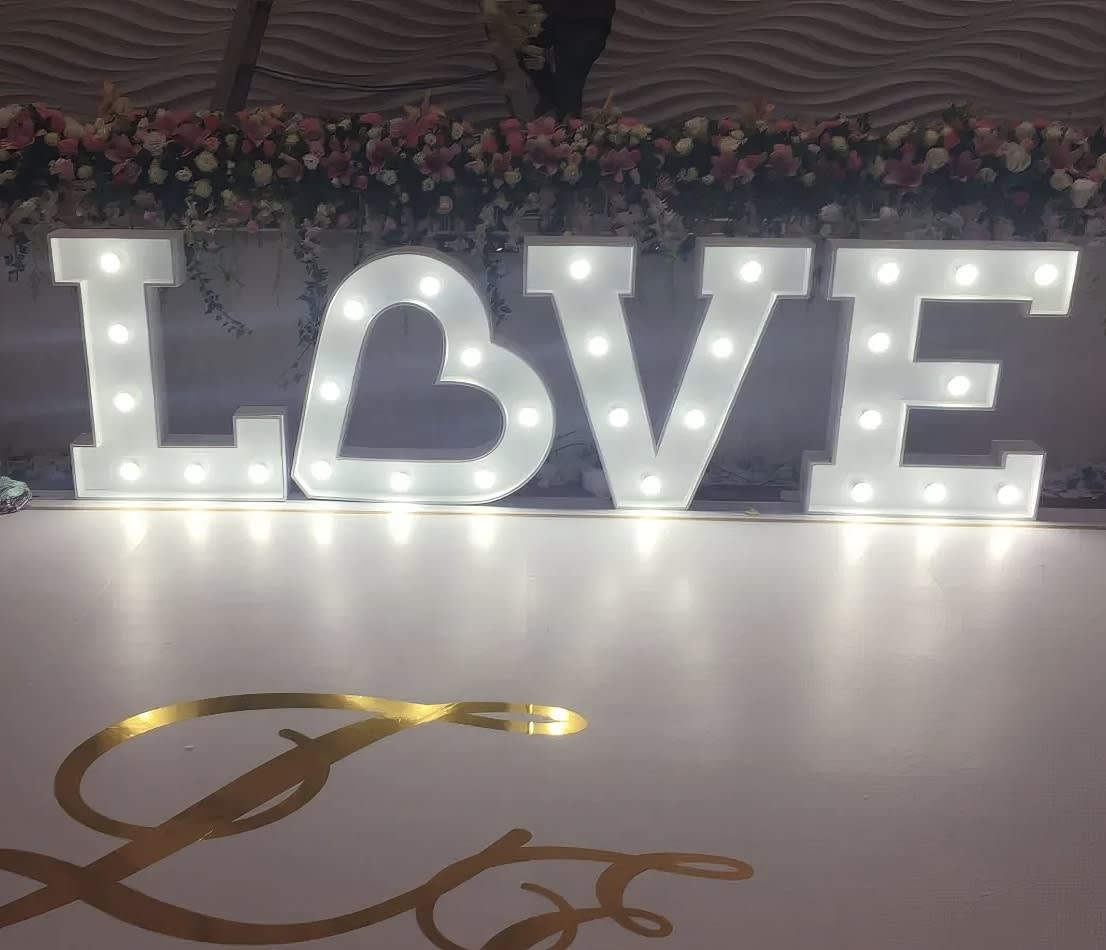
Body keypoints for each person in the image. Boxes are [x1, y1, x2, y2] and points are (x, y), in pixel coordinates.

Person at [527, 1, 616, 118]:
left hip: (586, 15)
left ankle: (566, 128)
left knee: (569, 81)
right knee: (517, 48)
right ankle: (551, 96)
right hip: (538, 9)